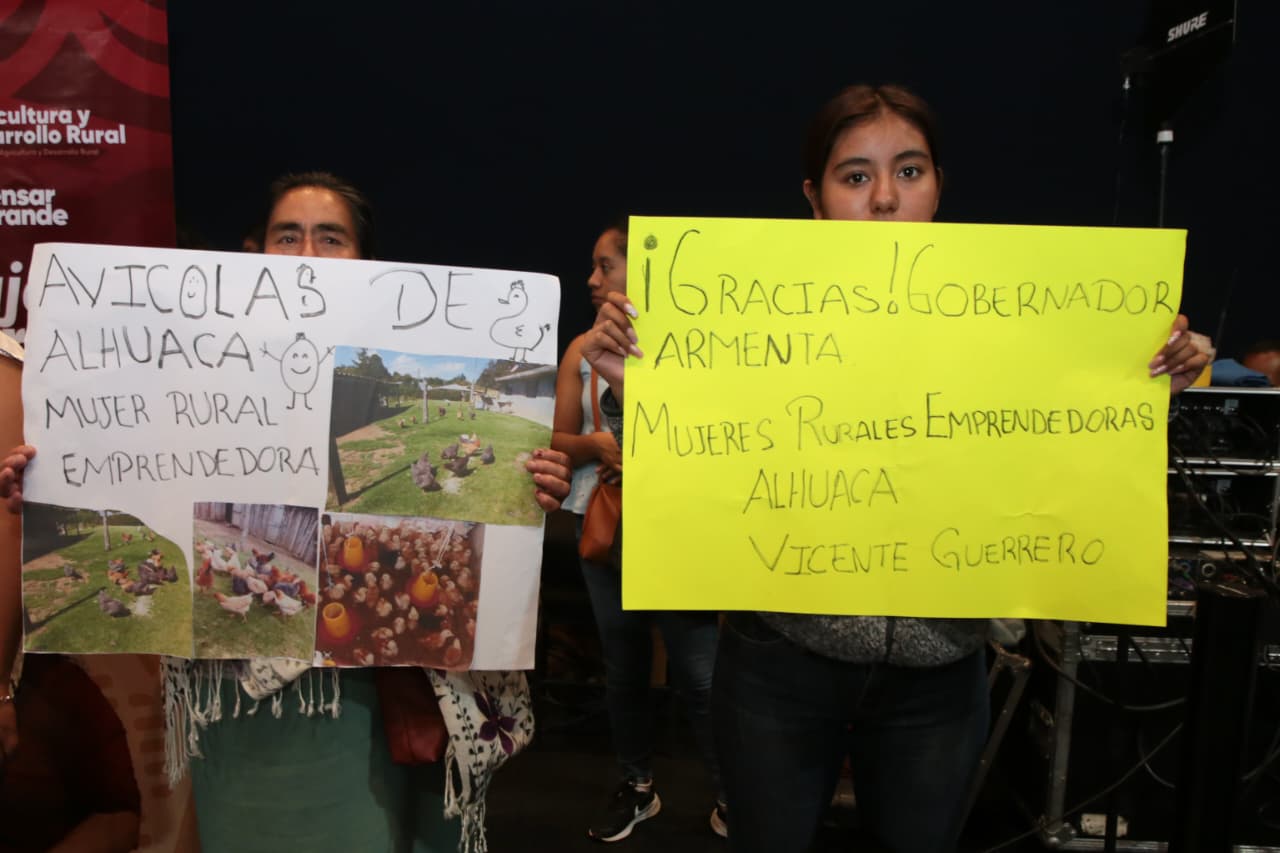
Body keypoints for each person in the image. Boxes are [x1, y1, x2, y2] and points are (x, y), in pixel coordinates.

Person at [582, 84, 1214, 853]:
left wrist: (1146, 388)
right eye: (856, 176)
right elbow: (695, 473)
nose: (885, 196)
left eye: (909, 171)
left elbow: (1065, 453)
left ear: (939, 187)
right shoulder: (746, 313)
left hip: (939, 677)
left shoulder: (1017, 321)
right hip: (780, 666)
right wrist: (632, 390)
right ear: (815, 200)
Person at [1, 172, 574, 853]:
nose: (306, 254)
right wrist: (52, 483)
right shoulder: (195, 367)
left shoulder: (388, 373)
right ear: (257, 252)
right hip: (255, 702)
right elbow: (138, 474)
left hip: (392, 684)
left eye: (330, 238)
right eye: (288, 236)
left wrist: (529, 486)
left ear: (365, 261)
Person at [552, 224, 726, 842]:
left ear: (641, 271)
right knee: (624, 666)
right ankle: (637, 786)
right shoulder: (581, 350)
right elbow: (556, 440)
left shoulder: (692, 346)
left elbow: (714, 437)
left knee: (700, 672)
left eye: (606, 265)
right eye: (594, 266)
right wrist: (596, 446)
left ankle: (731, 794)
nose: (592, 279)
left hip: (676, 530)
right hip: (605, 526)